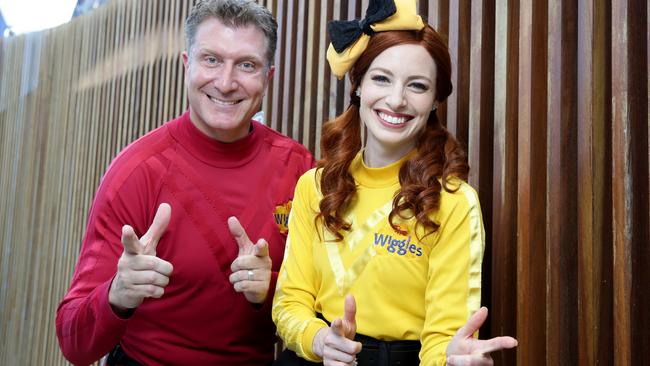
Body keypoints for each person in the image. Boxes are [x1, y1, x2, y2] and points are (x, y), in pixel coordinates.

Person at [56, 0, 314, 365]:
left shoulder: (300, 169)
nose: (225, 83)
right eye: (211, 60)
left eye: (246, 65)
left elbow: (328, 303)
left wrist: (271, 287)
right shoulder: (137, 172)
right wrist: (117, 293)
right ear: (186, 65)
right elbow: (74, 343)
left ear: (267, 78)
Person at [271, 0, 517, 365]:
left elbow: (444, 336)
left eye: (417, 86)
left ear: (434, 100)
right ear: (358, 86)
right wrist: (320, 339)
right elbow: (289, 302)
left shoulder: (454, 202)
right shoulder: (314, 185)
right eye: (382, 78)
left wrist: (448, 359)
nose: (396, 100)